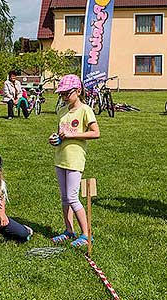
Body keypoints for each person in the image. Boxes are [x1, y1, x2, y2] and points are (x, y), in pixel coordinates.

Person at [49, 74, 100, 247]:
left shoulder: (85, 110)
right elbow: (61, 133)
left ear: (78, 91)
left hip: (74, 159)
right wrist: (55, 138)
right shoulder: (62, 111)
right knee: (64, 198)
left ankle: (86, 235)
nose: (63, 97)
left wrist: (73, 135)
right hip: (60, 157)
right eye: (61, 94)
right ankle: (69, 230)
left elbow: (95, 132)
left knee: (72, 197)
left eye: (66, 93)